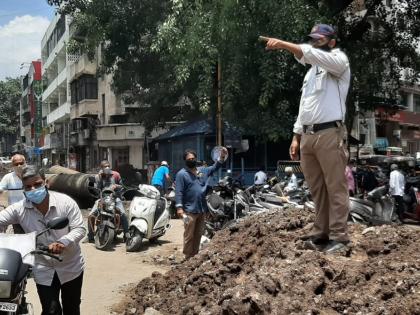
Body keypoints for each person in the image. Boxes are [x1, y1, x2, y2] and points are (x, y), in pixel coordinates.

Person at [265, 24, 351, 253]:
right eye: (312, 39)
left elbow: (309, 53)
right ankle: (321, 232)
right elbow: (305, 106)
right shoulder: (310, 73)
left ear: (331, 41)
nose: (314, 43)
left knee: (335, 185)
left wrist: (283, 44)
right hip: (308, 135)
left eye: (320, 40)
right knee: (316, 187)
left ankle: (340, 237)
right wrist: (296, 136)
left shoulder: (339, 61)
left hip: (329, 133)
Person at [0, 165, 85, 314]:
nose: (33, 189)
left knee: (72, 309)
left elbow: (79, 228)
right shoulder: (19, 209)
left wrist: (62, 242)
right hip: (43, 267)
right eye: (28, 187)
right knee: (51, 310)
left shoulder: (65, 202)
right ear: (24, 189)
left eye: (37, 184)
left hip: (70, 265)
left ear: (46, 183)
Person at [175, 147, 228, 259]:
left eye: (193, 158)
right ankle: (187, 256)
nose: (191, 160)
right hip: (188, 211)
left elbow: (215, 167)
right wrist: (179, 208)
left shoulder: (202, 171)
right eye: (189, 159)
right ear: (185, 161)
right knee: (189, 235)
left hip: (201, 209)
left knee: (198, 234)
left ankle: (194, 255)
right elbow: (178, 192)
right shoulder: (181, 174)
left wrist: (222, 156)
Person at [86, 160, 129, 243]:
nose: (107, 168)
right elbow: (97, 189)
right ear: (101, 168)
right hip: (103, 199)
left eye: (108, 166)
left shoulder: (116, 174)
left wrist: (116, 186)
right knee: (91, 215)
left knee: (123, 214)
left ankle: (126, 234)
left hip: (115, 198)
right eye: (105, 166)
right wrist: (100, 178)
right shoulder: (98, 176)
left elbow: (122, 186)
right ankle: (90, 236)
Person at [0, 154, 27, 234]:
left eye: (21, 163)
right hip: (16, 214)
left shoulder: (31, 175)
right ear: (12, 165)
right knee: (19, 236)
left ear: (25, 163)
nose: (19, 166)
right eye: (16, 164)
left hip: (32, 212)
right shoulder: (8, 177)